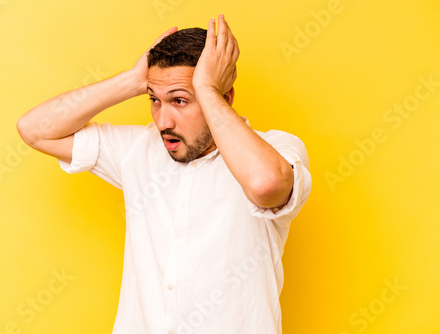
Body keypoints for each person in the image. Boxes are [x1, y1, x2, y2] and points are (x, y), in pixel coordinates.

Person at [17, 14, 311, 334]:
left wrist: (208, 90)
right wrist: (132, 80)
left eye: (180, 100)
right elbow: (35, 130)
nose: (163, 121)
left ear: (224, 99)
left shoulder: (277, 149)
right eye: (154, 100)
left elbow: (265, 185)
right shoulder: (137, 149)